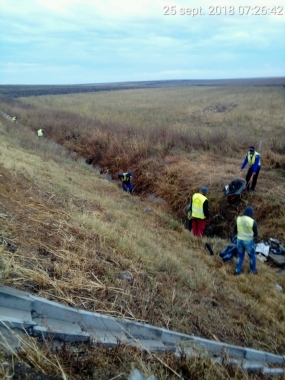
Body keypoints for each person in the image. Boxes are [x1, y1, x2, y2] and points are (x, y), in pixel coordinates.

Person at [233, 205, 258, 275]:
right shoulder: (253, 222)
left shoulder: (238, 219)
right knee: (252, 256)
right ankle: (253, 271)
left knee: (240, 256)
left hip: (239, 240)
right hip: (248, 242)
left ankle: (237, 270)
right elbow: (256, 235)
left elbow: (234, 230)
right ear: (251, 214)